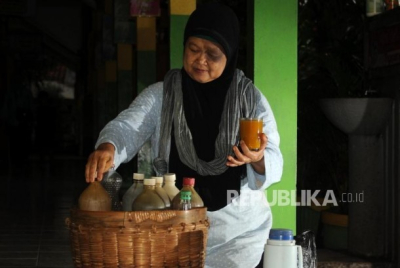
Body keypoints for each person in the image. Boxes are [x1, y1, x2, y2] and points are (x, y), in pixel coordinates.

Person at [85, 2, 283, 267]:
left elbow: (274, 159)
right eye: (193, 49)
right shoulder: (162, 95)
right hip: (172, 226)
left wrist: (257, 158)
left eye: (212, 54)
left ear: (231, 55)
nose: (200, 60)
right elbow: (127, 128)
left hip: (237, 234)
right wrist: (108, 147)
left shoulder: (250, 101)